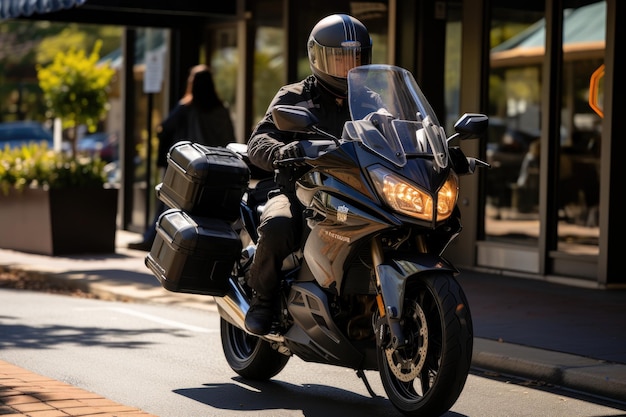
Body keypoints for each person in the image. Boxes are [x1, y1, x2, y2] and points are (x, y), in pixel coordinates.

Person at [244, 14, 372, 335]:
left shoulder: (371, 100)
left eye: (353, 58)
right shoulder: (296, 95)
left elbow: (401, 129)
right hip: (300, 190)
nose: (346, 67)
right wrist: (280, 151)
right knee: (278, 226)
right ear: (317, 57)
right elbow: (259, 141)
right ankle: (263, 299)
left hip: (357, 193)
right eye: (338, 58)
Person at [128, 64, 236, 251]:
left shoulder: (186, 107)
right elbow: (229, 138)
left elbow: (164, 129)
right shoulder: (221, 109)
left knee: (170, 202)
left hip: (189, 164)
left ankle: (153, 240)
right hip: (217, 166)